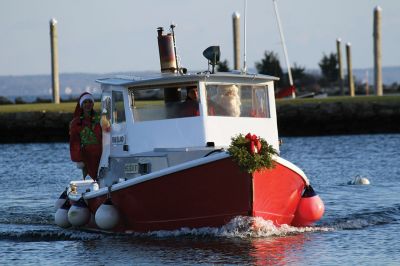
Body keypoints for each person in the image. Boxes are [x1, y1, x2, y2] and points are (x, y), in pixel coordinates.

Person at [69, 92, 102, 181]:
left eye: (90, 102)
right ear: (81, 105)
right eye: (85, 102)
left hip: (102, 156)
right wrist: (78, 159)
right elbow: (74, 143)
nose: (88, 104)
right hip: (86, 158)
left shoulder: (100, 119)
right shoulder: (76, 123)